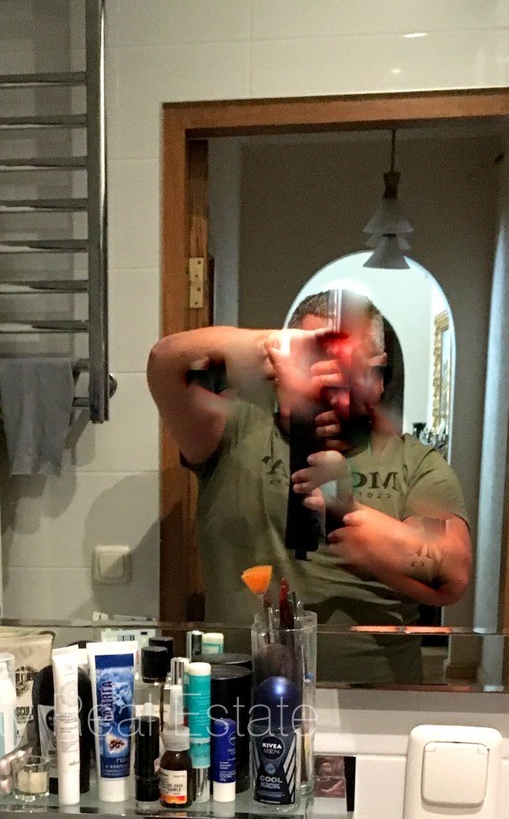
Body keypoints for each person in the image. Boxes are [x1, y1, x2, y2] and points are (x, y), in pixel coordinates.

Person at [146, 293, 472, 684]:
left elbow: (451, 570)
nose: (328, 381)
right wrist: (273, 345)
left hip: (378, 703)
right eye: (314, 363)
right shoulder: (232, 435)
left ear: (377, 376)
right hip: (242, 699)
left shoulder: (414, 464)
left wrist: (349, 516)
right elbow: (166, 364)